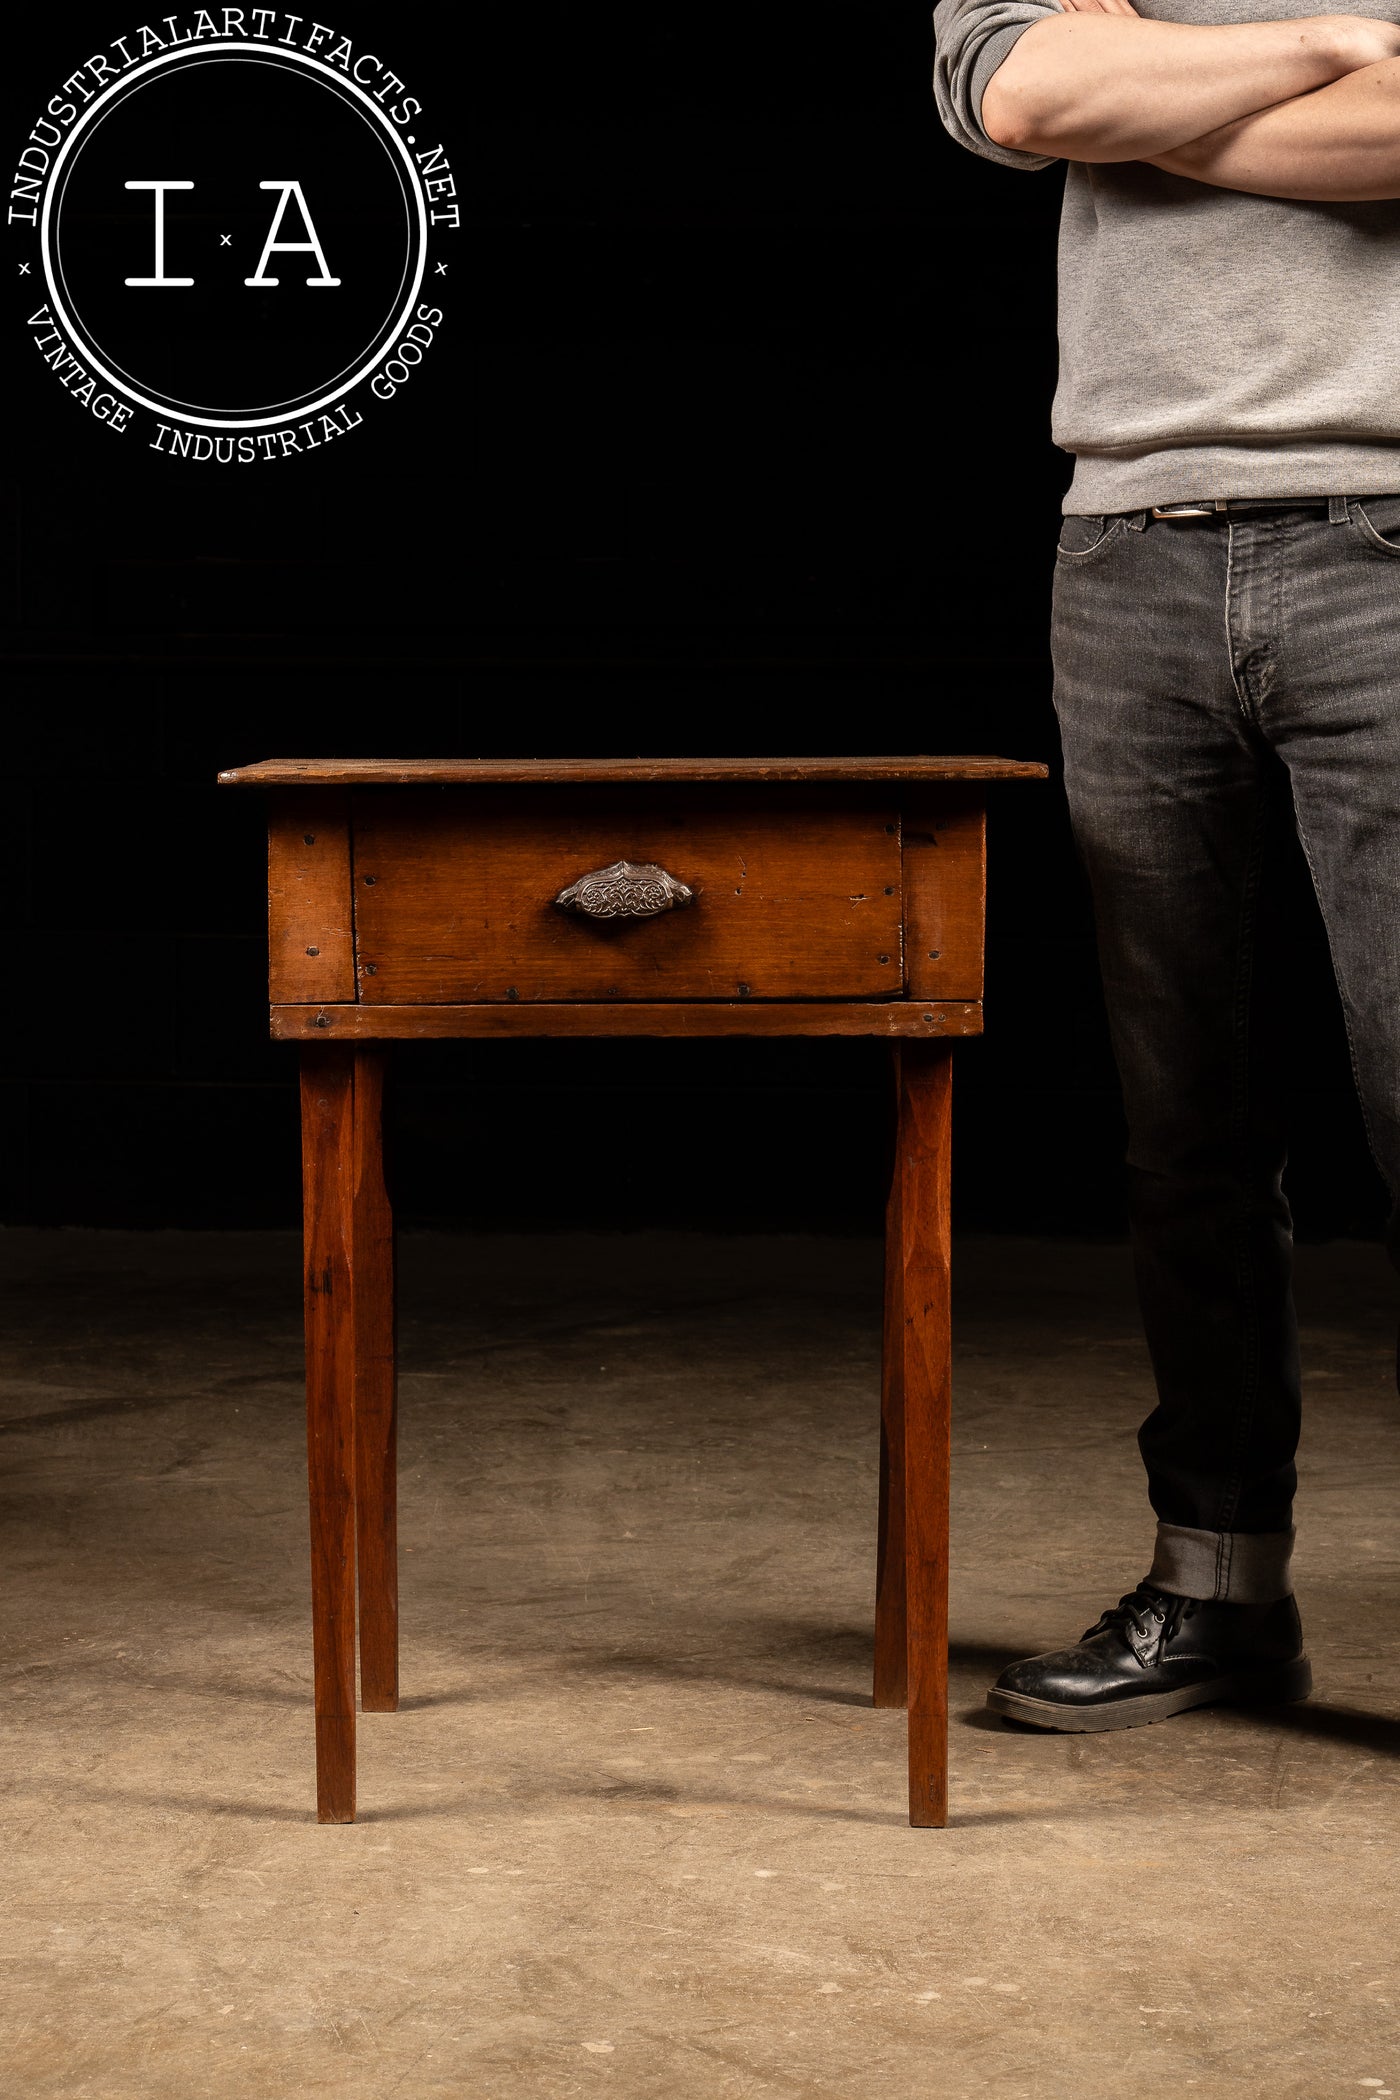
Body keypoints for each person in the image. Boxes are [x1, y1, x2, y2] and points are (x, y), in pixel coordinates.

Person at [933, 0, 1400, 1729]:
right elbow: (1028, 90)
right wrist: (1345, 41)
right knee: (1184, 1132)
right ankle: (1219, 1599)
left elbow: (1096, 108)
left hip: (1391, 538)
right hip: (1125, 551)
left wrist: (1160, 100)